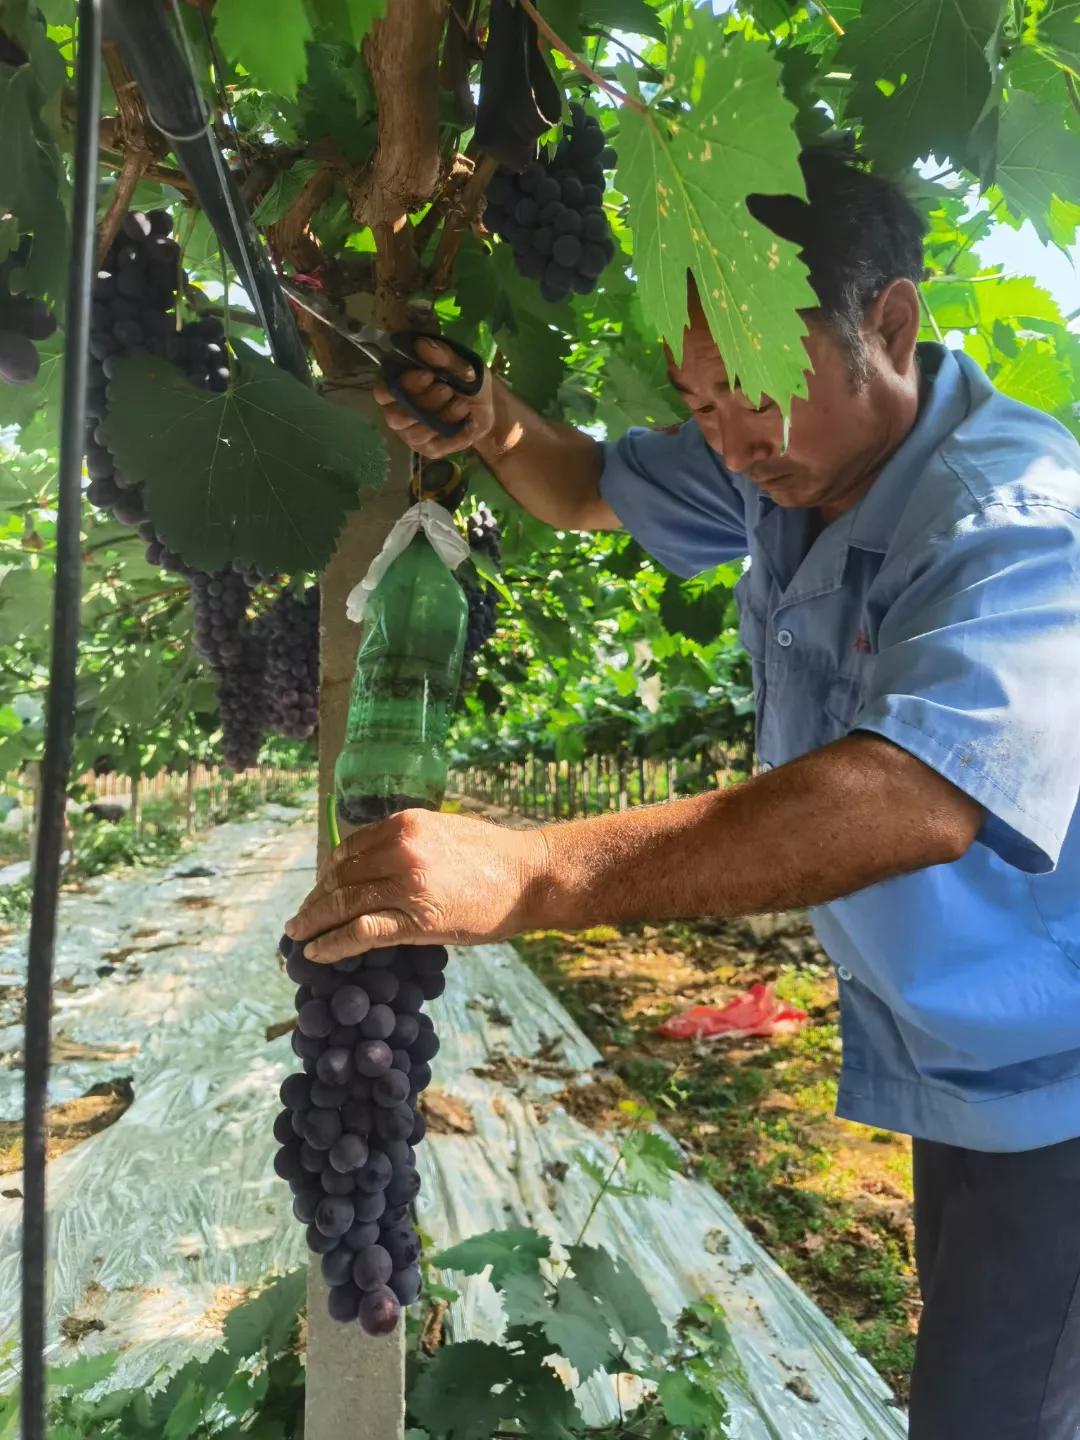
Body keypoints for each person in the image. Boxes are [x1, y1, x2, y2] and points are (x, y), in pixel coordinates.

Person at [285, 149, 1080, 1437]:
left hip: (1061, 1077)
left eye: (758, 391)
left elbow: (920, 793)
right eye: (702, 403)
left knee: (997, 1410)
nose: (731, 436)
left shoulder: (1012, 516)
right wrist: (491, 424)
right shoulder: (791, 462)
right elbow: (588, 483)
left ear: (892, 323)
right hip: (969, 1054)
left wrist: (538, 870)